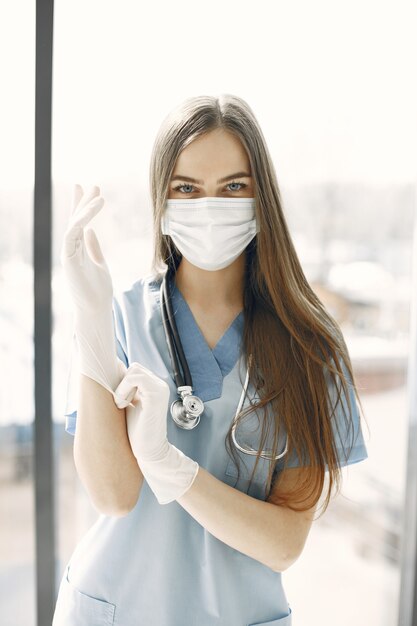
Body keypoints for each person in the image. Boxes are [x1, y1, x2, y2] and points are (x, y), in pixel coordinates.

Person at [52, 93, 369, 626]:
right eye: (187, 188)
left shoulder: (310, 344)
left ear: (260, 195)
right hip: (113, 606)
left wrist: (171, 468)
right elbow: (113, 496)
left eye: (233, 187)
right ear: (163, 198)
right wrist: (91, 328)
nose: (209, 206)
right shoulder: (120, 317)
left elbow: (284, 542)